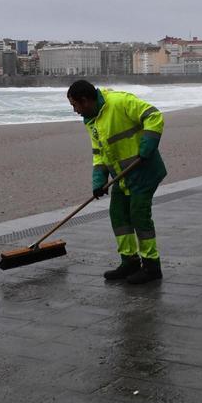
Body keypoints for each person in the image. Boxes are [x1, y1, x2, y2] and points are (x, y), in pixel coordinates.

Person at [67, 80, 166, 284]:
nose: (74, 110)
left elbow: (153, 116)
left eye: (74, 105)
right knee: (118, 215)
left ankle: (151, 266)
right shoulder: (91, 121)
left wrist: (147, 144)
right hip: (121, 177)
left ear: (85, 101)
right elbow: (99, 152)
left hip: (144, 171)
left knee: (139, 215)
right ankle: (129, 261)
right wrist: (99, 180)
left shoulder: (120, 101)